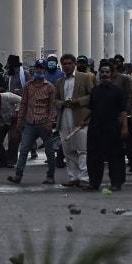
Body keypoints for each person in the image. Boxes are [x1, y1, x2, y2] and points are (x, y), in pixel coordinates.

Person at [7, 59, 56, 185]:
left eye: (41, 68)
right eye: (37, 68)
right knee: (23, 150)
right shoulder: (28, 85)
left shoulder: (49, 87)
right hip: (29, 123)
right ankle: (18, 175)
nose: (39, 70)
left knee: (49, 151)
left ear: (45, 70)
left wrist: (50, 122)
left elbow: (52, 107)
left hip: (44, 123)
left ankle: (50, 176)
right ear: (34, 69)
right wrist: (20, 120)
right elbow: (23, 104)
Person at [85, 65, 128, 191]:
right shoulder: (95, 91)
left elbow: (123, 111)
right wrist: (84, 120)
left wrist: (125, 127)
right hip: (95, 127)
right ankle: (94, 183)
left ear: (111, 74)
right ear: (99, 74)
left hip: (112, 127)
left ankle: (116, 183)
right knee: (94, 156)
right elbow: (92, 109)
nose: (104, 74)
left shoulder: (117, 91)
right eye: (102, 72)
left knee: (115, 156)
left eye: (107, 72)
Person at [53, 54, 93, 188]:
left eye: (69, 63)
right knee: (68, 149)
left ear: (74, 64)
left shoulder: (85, 77)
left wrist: (77, 101)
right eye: (64, 64)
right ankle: (73, 177)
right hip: (64, 117)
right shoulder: (60, 81)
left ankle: (84, 178)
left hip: (80, 117)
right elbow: (55, 100)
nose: (67, 66)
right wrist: (62, 103)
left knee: (82, 149)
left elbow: (93, 96)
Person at [110, 55, 132, 175]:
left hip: (124, 115)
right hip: (112, 115)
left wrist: (127, 112)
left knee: (129, 141)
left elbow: (129, 96)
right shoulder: (107, 79)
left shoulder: (124, 78)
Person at [0, 90, 21, 168]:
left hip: (14, 120)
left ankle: (11, 161)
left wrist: (17, 110)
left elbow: (22, 101)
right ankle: (3, 161)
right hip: (1, 122)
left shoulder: (8, 96)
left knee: (14, 138)